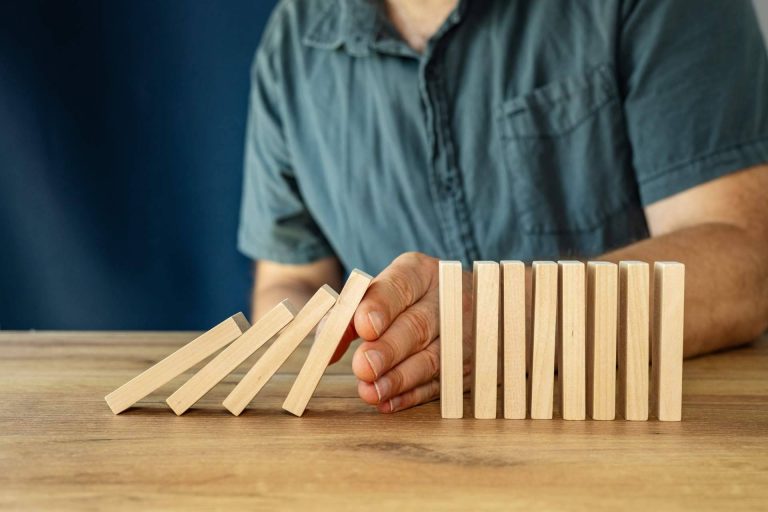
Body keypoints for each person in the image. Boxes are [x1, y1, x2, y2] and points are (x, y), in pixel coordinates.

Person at [238, 0, 768, 413]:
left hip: (637, 444)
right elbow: (290, 282)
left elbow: (742, 267)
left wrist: (504, 320)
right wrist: (339, 332)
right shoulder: (292, 46)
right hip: (406, 462)